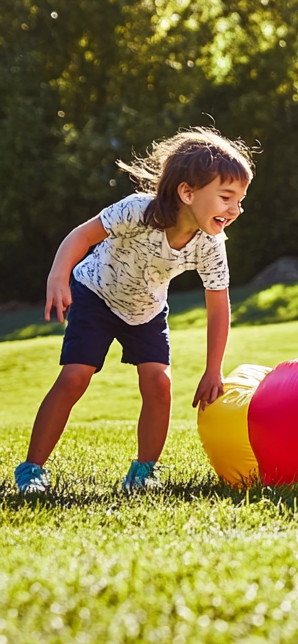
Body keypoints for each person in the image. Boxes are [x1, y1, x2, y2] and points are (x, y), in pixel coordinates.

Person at [14, 128, 253, 495]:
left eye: (240, 199)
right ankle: (31, 469)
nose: (235, 209)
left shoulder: (210, 243)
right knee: (76, 375)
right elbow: (82, 235)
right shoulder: (138, 211)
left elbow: (218, 304)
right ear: (187, 192)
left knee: (159, 383)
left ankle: (143, 473)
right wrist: (58, 277)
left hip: (146, 310)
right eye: (226, 197)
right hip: (96, 293)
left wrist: (213, 368)